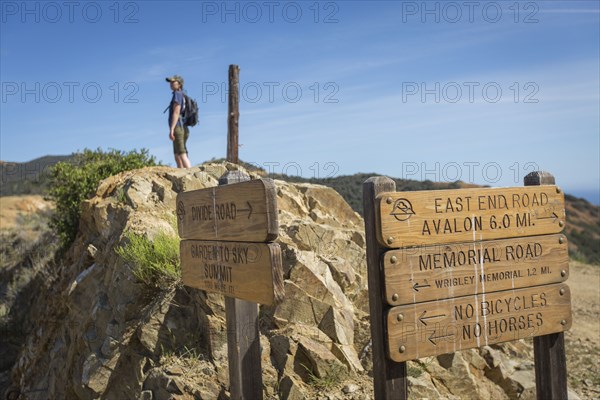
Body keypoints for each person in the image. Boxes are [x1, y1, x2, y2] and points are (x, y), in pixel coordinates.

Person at [166, 75, 191, 168]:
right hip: (183, 127)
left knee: (181, 154)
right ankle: (182, 175)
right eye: (170, 82)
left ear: (179, 84)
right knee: (177, 154)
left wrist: (172, 129)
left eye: (173, 82)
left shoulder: (177, 94)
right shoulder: (181, 94)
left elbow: (176, 112)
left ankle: (190, 175)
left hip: (178, 126)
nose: (171, 84)